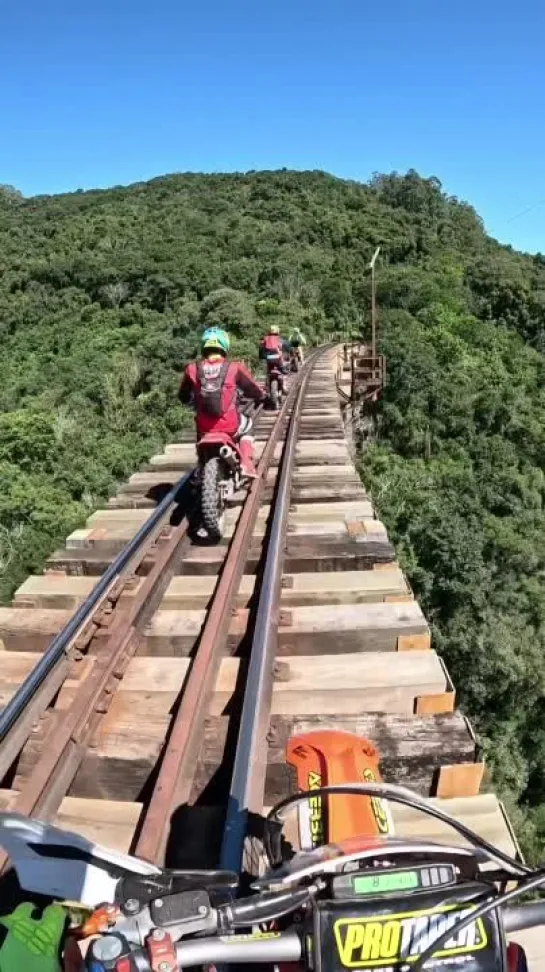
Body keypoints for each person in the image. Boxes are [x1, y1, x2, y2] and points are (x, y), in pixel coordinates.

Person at [178, 326, 266, 477]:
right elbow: (253, 389)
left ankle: (201, 464)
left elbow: (183, 395)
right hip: (230, 425)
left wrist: (191, 400)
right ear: (224, 345)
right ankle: (246, 463)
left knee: (199, 427)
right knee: (248, 424)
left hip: (204, 426)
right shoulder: (234, 367)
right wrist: (262, 396)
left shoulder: (192, 369)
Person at [259, 325, 290, 392]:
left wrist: (262, 357)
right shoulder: (280, 340)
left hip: (269, 359)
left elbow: (261, 349)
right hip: (278, 359)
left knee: (267, 372)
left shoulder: (265, 339)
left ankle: (267, 385)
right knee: (283, 371)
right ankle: (284, 386)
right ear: (278, 332)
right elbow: (287, 348)